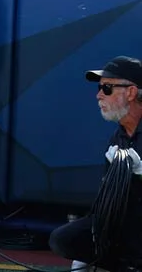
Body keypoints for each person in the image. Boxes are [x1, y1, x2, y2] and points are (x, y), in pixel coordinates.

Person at [50, 57, 142, 272]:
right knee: (65, 238)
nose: (98, 95)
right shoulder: (118, 138)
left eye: (107, 88)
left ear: (130, 93)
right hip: (130, 230)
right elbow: (107, 202)